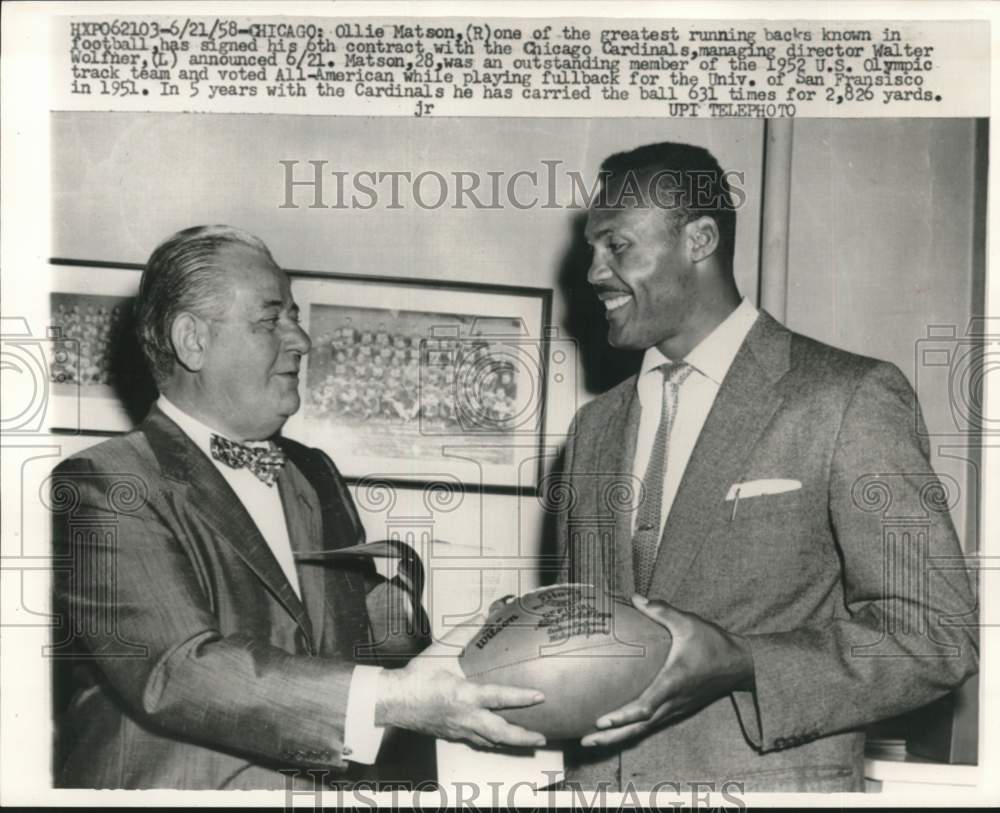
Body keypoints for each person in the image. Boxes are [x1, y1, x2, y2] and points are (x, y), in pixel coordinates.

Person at [50, 225, 546, 789]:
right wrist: (396, 697)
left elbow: (356, 648)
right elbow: (177, 672)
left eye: (295, 315)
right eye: (271, 320)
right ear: (192, 340)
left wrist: (476, 644)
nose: (302, 340)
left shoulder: (314, 472)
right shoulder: (103, 481)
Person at [554, 143, 979, 792]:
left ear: (699, 239)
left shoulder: (846, 398)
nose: (593, 271)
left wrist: (743, 662)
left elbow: (937, 635)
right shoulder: (592, 429)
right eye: (591, 249)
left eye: (616, 245)